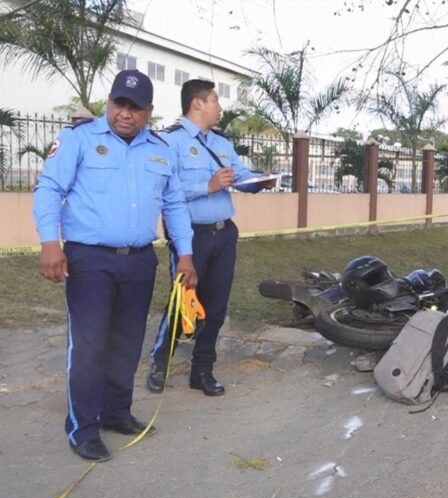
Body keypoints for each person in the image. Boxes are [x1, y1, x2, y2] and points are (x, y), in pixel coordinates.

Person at [32, 69, 198, 462]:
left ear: (149, 112)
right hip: (89, 259)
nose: (126, 113)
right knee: (89, 345)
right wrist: (49, 243)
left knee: (127, 342)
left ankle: (117, 413)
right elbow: (49, 189)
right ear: (109, 103)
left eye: (135, 107)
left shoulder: (159, 149)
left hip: (140, 260)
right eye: (119, 104)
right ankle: (83, 428)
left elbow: (174, 204)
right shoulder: (79, 140)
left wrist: (186, 253)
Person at [146, 79, 276, 397]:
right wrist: (208, 185)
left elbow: (240, 176)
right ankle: (159, 364)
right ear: (198, 103)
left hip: (223, 234)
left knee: (215, 307)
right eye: (216, 99)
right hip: (190, 237)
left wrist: (260, 181)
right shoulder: (169, 142)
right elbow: (163, 190)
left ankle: (202, 371)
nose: (220, 106)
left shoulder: (220, 143)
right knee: (183, 302)